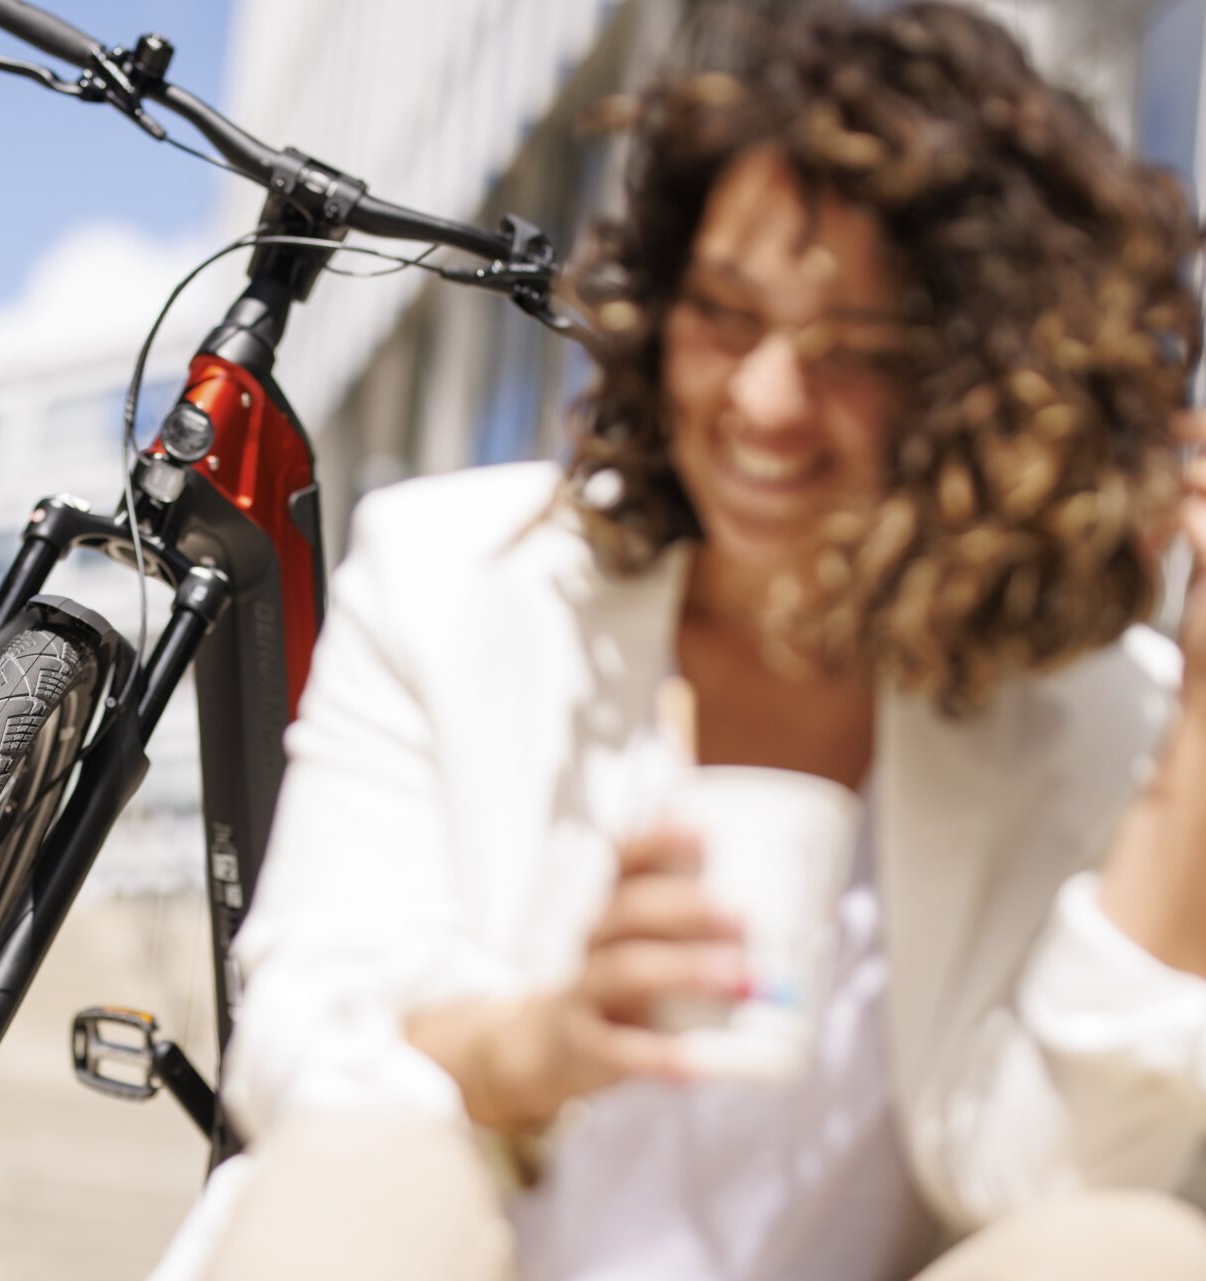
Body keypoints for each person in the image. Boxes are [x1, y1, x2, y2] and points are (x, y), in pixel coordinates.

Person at [147, 4, 1206, 1280]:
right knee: (365, 1175)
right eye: (726, 316)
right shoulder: (454, 581)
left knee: (1131, 1251)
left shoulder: (1085, 714)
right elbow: (305, 1040)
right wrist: (544, 1042)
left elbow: (1055, 1182)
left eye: (856, 353)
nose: (766, 403)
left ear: (976, 384)